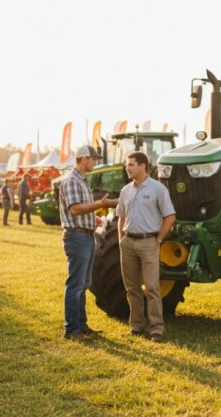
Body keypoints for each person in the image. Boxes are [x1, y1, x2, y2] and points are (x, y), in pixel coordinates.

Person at [59, 145, 119, 341]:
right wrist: (101, 205)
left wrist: (93, 219)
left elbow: (78, 211)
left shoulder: (81, 180)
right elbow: (75, 209)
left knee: (83, 284)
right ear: (83, 159)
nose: (96, 162)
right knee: (75, 285)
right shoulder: (71, 180)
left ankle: (81, 325)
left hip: (84, 235)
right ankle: (71, 330)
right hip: (77, 238)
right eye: (94, 159)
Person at [116, 151, 176, 343]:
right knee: (131, 287)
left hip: (149, 242)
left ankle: (157, 330)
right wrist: (121, 239)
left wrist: (158, 239)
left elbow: (170, 216)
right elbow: (121, 217)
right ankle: (136, 326)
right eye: (127, 165)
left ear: (143, 166)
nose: (128, 168)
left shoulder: (158, 189)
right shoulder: (125, 190)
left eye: (131, 164)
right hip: (128, 243)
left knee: (151, 287)